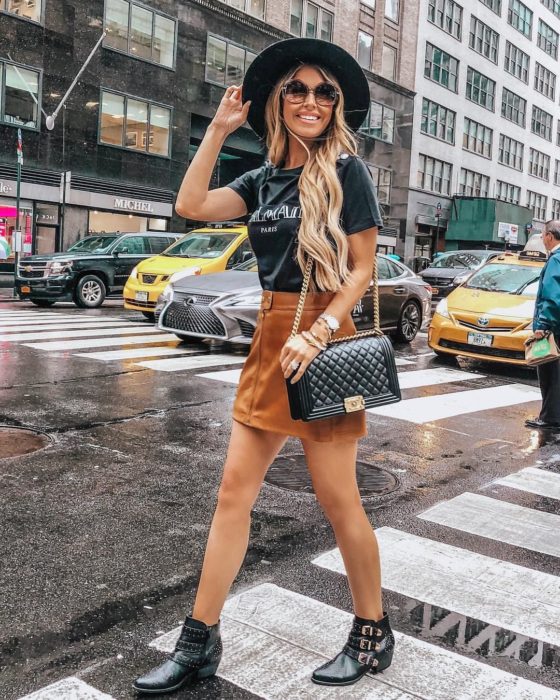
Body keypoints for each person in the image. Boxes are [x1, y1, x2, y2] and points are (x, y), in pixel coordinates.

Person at [133, 37, 393, 695]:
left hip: (325, 339)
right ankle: (199, 643)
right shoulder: (262, 179)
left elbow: (362, 270)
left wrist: (324, 331)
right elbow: (192, 206)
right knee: (231, 496)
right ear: (280, 100)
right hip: (271, 341)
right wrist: (217, 132)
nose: (311, 100)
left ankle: (371, 630)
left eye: (324, 91)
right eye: (298, 89)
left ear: (336, 106)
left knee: (339, 503)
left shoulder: (346, 172)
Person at [525, 220, 560, 429]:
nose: (541, 239)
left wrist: (543, 325)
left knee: (549, 372)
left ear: (549, 236)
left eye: (542, 234)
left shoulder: (556, 260)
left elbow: (552, 297)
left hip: (554, 327)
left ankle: (550, 417)